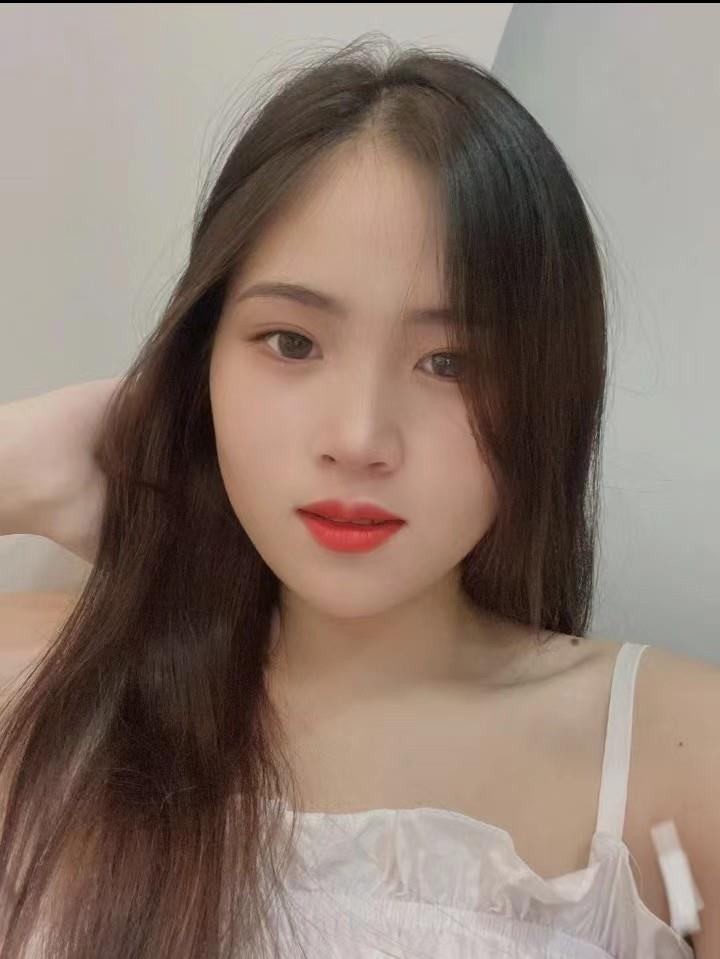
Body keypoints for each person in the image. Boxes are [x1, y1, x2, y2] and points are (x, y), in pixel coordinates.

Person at [0, 33, 717, 959]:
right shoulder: (51, 683)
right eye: (292, 342)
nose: (360, 438)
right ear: (201, 359)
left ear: (549, 395)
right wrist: (25, 465)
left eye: (450, 363)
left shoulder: (673, 757)